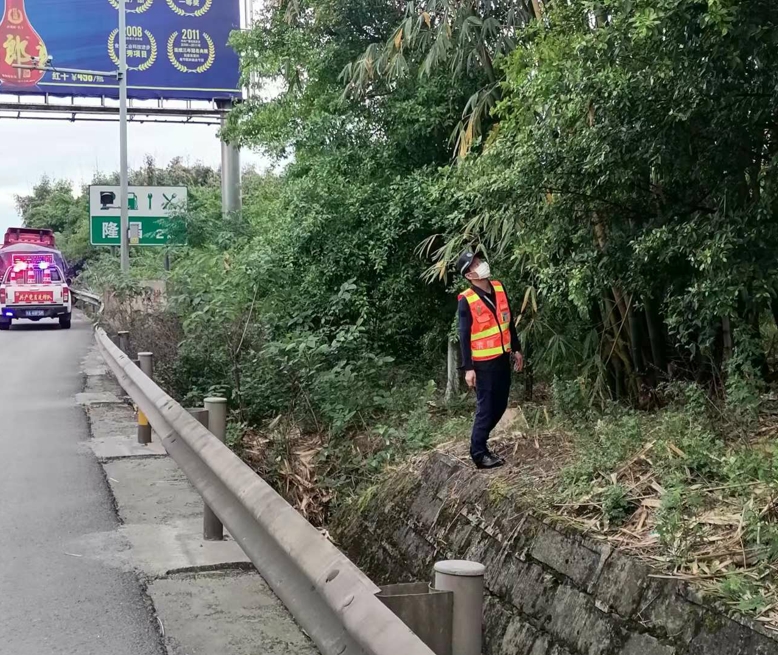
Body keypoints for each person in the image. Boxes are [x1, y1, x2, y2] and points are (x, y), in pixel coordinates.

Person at [456, 251, 523, 469]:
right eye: (475, 264)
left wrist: (517, 349)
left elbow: (509, 321)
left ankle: (480, 443)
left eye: (479, 261)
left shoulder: (499, 288)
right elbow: (464, 336)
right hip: (482, 364)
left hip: (503, 357)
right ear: (469, 275)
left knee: (501, 404)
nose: (481, 265)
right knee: (486, 407)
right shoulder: (466, 299)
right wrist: (468, 368)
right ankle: (478, 452)